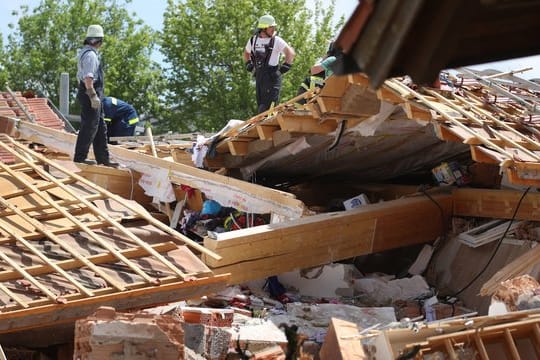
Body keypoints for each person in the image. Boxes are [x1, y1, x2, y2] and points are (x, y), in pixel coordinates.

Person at [73, 24, 117, 167]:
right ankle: (80, 157)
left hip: (90, 92)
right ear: (99, 41)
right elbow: (88, 78)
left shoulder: (85, 52)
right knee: (89, 126)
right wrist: (92, 95)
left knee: (99, 126)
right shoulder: (91, 55)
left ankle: (103, 159)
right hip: (89, 92)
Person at [244, 14, 296, 114]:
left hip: (272, 77)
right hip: (259, 77)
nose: (274, 29)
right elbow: (246, 53)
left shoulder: (276, 40)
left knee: (267, 108)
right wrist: (248, 65)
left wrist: (285, 67)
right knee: (261, 106)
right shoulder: (253, 40)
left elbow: (290, 53)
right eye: (271, 27)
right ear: (264, 28)